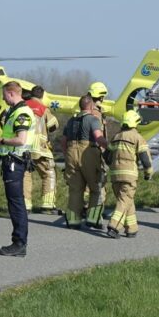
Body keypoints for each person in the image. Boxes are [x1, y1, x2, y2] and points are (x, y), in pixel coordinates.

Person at [0, 82, 35, 257]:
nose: (3, 98)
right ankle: (19, 241)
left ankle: (19, 243)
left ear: (11, 93)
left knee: (16, 203)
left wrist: (1, 141)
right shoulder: (14, 111)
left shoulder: (22, 113)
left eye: (4, 95)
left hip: (15, 161)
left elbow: (21, 140)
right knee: (15, 201)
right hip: (11, 161)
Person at [60, 94, 107, 229]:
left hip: (71, 152)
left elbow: (63, 141)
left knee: (75, 189)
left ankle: (73, 221)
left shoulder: (70, 121)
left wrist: (67, 155)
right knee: (96, 187)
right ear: (91, 106)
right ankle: (93, 219)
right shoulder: (93, 119)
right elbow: (98, 137)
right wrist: (109, 147)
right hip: (88, 153)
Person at [105, 109, 153, 238]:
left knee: (126, 200)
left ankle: (131, 228)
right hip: (129, 175)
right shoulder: (137, 138)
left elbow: (106, 156)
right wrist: (148, 174)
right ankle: (113, 227)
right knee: (124, 200)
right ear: (135, 123)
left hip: (115, 175)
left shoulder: (116, 137)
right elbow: (145, 160)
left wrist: (114, 166)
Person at [22, 85, 59, 214]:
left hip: (23, 148)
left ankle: (26, 205)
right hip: (40, 149)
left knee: (25, 176)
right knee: (49, 173)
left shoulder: (22, 106)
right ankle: (47, 205)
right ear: (42, 96)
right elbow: (53, 125)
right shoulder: (43, 108)